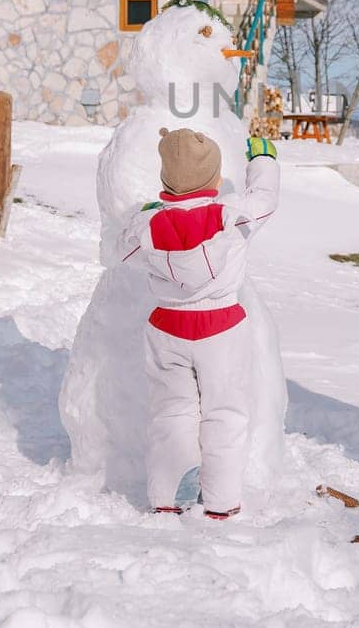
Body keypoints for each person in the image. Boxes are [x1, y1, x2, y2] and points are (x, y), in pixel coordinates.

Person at [117, 127, 280, 519]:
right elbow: (265, 199)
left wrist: (143, 217)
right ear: (212, 177)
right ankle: (221, 502)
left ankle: (168, 497)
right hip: (221, 326)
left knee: (172, 411)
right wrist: (264, 158)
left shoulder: (149, 226)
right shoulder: (230, 215)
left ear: (165, 179)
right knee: (225, 413)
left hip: (167, 326)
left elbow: (119, 249)